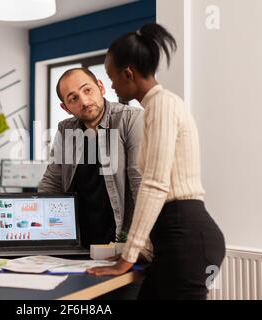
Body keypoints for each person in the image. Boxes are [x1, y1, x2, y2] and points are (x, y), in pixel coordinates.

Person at [87, 23, 226, 300]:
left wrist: (126, 258)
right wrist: (137, 251)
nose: (111, 86)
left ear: (129, 73)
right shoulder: (155, 107)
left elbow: (154, 185)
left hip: (185, 236)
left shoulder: (162, 105)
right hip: (175, 236)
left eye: (112, 78)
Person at [38, 68, 151, 258]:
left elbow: (140, 186)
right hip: (78, 246)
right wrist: (38, 232)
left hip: (121, 245)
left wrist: (138, 247)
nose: (83, 101)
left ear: (100, 87)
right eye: (73, 98)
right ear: (65, 108)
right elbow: (52, 183)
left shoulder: (130, 119)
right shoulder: (66, 130)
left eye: (87, 90)